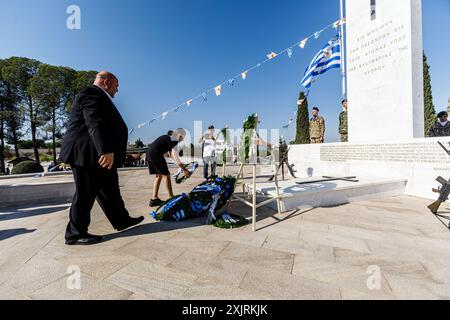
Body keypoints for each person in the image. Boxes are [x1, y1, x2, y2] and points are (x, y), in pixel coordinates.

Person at [60, 71, 144, 246]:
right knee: (85, 193)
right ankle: (74, 234)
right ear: (106, 82)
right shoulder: (91, 93)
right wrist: (105, 150)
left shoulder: (98, 95)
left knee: (110, 188)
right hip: (88, 154)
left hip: (95, 154)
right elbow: (94, 121)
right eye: (116, 86)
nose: (117, 90)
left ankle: (121, 220)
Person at [148, 128, 191, 207]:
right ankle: (171, 197)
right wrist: (184, 169)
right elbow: (175, 156)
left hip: (150, 154)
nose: (183, 139)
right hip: (156, 155)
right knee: (166, 175)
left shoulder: (168, 138)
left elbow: (171, 155)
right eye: (183, 137)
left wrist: (180, 166)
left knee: (159, 176)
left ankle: (154, 199)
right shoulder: (173, 140)